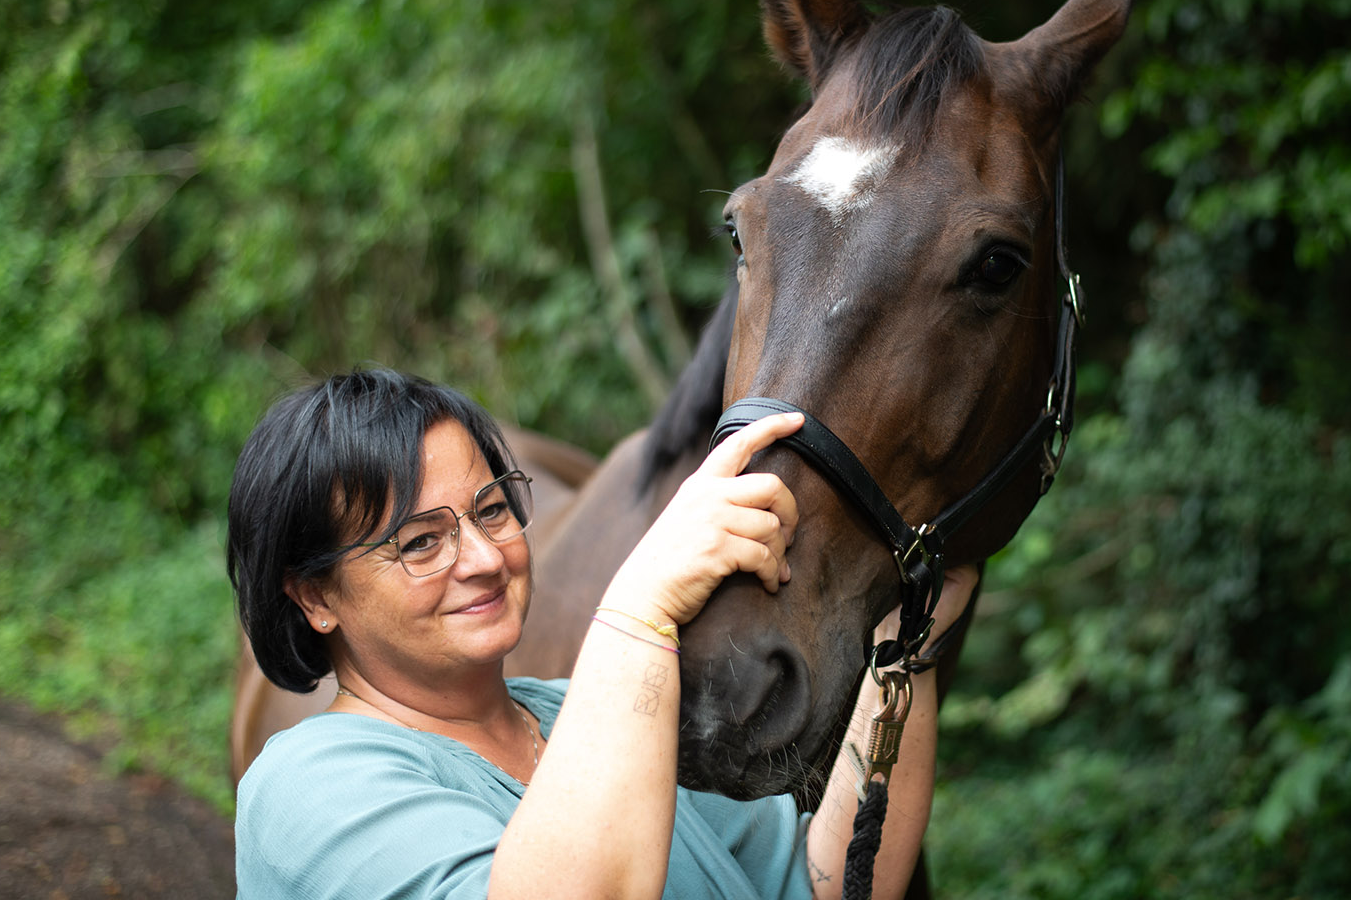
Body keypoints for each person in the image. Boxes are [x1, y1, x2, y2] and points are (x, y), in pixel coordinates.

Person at [227, 367, 976, 900]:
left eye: (492, 510)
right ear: (316, 596)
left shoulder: (583, 715)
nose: (486, 559)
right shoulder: (303, 787)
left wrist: (904, 643)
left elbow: (828, 882)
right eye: (421, 542)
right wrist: (641, 602)